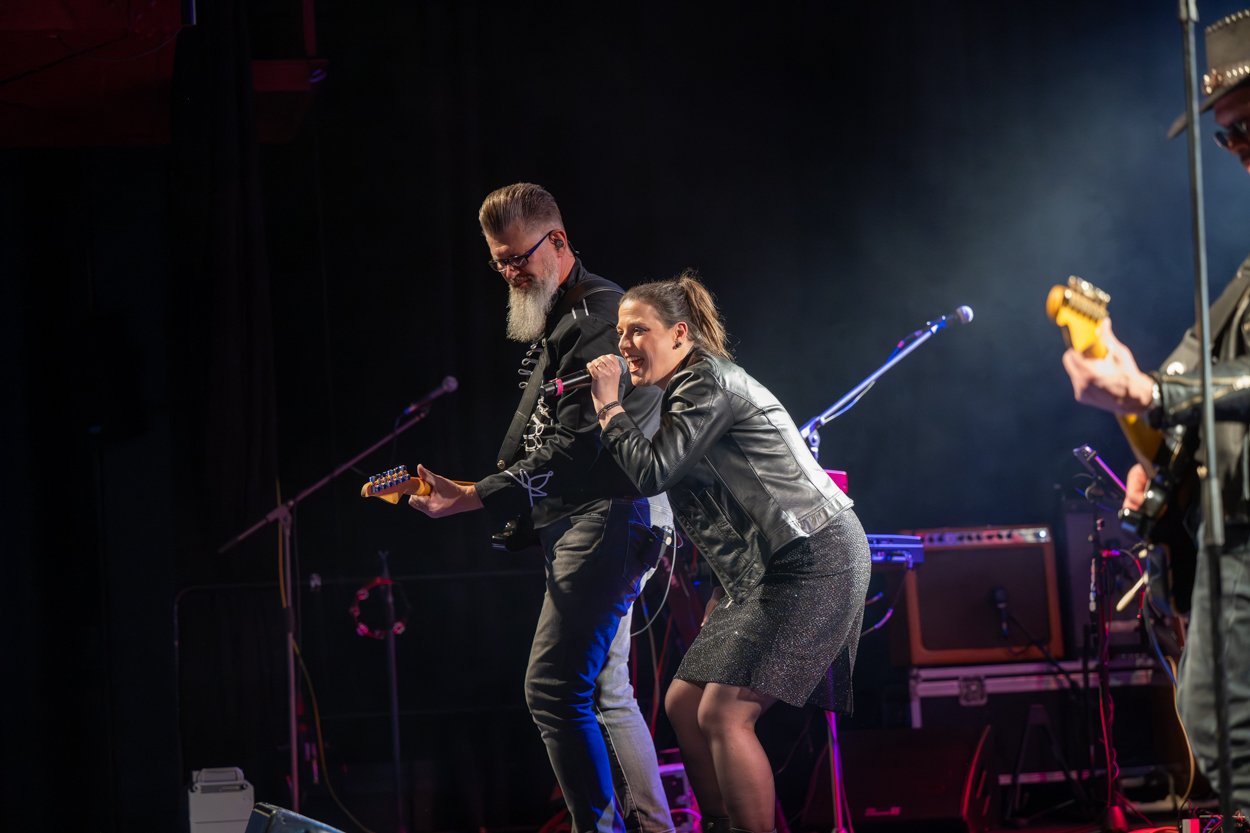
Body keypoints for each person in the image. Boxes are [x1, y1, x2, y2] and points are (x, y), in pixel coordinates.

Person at [408, 183, 675, 833]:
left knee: (554, 688)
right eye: (497, 261)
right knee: (606, 688)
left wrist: (477, 495)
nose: (508, 273)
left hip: (609, 512)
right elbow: (543, 434)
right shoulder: (564, 314)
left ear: (557, 241)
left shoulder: (601, 314)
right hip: (593, 515)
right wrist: (479, 488)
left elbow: (579, 444)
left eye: (516, 258)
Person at [585, 272, 872, 833]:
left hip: (814, 557)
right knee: (683, 705)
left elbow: (654, 471)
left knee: (723, 713)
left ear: (679, 334)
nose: (623, 344)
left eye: (638, 330)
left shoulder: (705, 382)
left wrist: (610, 409)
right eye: (620, 332)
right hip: (766, 570)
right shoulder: (685, 388)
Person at [1059, 9, 1250, 811]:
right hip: (1229, 534)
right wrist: (1152, 422)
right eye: (1225, 136)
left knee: (1234, 739)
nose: (1235, 148)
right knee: (1215, 731)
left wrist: (1153, 395)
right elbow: (1190, 365)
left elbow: (1186, 385)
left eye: (1246, 127)